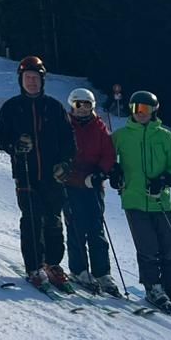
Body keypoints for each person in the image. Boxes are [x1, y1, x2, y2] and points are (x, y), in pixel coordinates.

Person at [0, 55, 75, 291]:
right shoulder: (12, 107)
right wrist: (15, 146)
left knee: (53, 220)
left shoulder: (54, 107)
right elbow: (1, 138)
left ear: (42, 80)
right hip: (26, 173)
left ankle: (53, 263)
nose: (32, 82)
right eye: (27, 78)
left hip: (52, 175)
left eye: (35, 78)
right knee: (31, 219)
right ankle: (34, 266)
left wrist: (66, 163)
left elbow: (69, 141)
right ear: (21, 80)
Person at [111, 89, 171, 314]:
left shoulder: (165, 137)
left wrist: (164, 180)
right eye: (136, 108)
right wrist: (114, 171)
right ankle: (153, 287)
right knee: (147, 247)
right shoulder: (121, 136)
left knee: (167, 248)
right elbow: (106, 157)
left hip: (161, 202)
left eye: (145, 108)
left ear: (154, 111)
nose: (140, 112)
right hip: (134, 200)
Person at [57, 87, 120, 295]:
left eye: (87, 105)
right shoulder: (65, 125)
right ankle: (79, 270)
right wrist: (65, 171)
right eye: (78, 105)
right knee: (76, 227)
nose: (82, 109)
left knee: (96, 229)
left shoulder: (99, 127)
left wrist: (100, 173)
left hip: (92, 185)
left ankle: (102, 272)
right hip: (71, 184)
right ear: (72, 106)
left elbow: (109, 154)